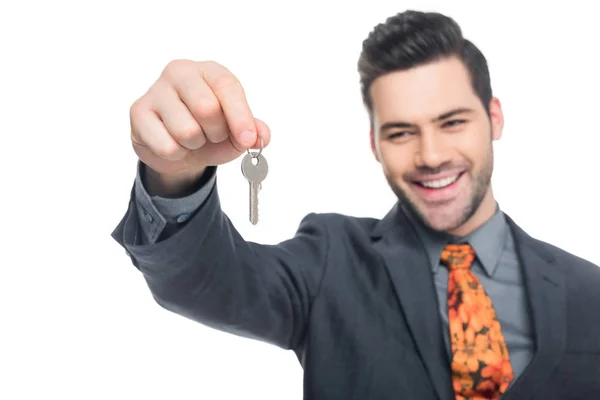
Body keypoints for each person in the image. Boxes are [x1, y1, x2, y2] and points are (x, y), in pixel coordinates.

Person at [111, 9, 600, 400]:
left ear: (493, 118)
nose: (430, 155)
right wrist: (173, 175)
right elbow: (210, 280)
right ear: (374, 143)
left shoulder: (589, 289)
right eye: (401, 131)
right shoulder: (331, 260)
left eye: (452, 122)